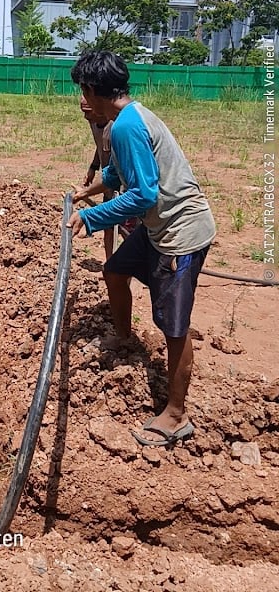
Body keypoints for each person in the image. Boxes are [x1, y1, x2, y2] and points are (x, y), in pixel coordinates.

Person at [67, 51, 216, 447]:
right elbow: (118, 173)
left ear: (93, 91)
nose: (81, 99)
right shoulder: (128, 116)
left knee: (173, 325)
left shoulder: (126, 127)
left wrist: (92, 217)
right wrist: (90, 190)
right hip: (158, 230)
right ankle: (123, 337)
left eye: (82, 90)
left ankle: (177, 415)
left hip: (179, 235)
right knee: (114, 271)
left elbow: (143, 194)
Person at [80, 94, 115, 260]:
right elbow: (100, 145)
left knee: (128, 230)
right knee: (108, 227)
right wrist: (93, 167)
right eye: (83, 112)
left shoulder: (114, 129)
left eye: (88, 112)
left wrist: (85, 193)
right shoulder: (94, 123)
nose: (86, 117)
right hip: (107, 183)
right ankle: (110, 263)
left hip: (120, 187)